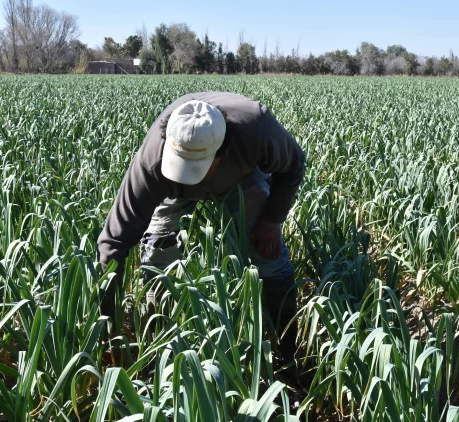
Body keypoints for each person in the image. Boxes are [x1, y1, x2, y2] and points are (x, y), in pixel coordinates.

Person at [96, 91, 307, 385]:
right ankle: (154, 347)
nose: (185, 174)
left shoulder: (256, 129)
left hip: (242, 180)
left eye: (193, 167)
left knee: (270, 258)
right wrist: (112, 332)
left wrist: (272, 219)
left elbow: (294, 165)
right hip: (171, 191)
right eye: (180, 164)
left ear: (221, 153)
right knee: (157, 258)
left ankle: (285, 359)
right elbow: (112, 243)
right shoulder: (154, 160)